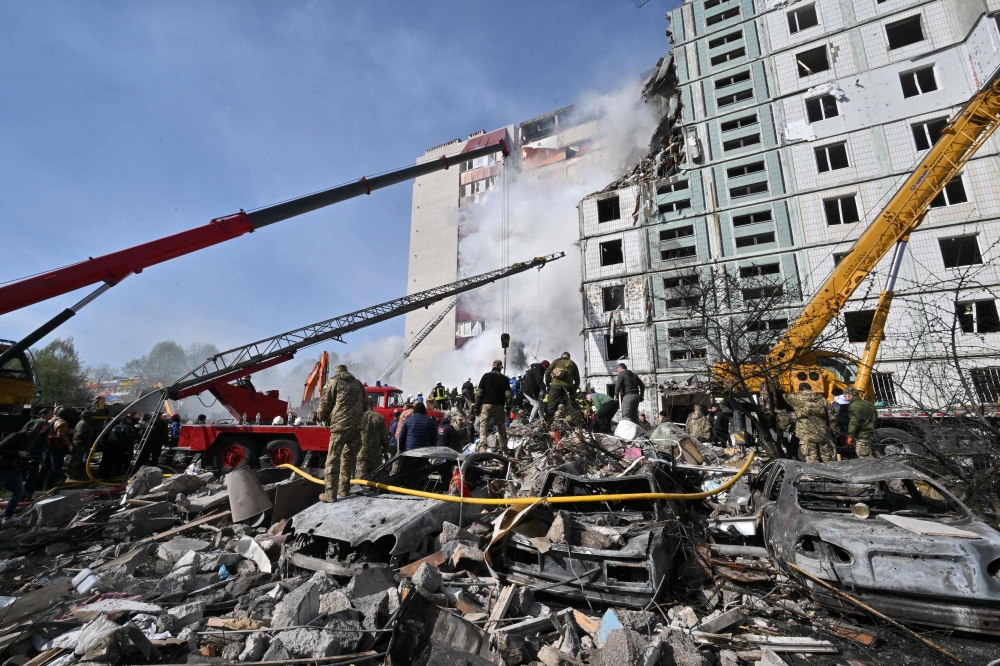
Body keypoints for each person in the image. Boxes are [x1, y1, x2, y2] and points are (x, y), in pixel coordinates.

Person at [316, 364, 367, 503]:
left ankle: (330, 494)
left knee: (333, 457)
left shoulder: (334, 382)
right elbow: (366, 404)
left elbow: (324, 404)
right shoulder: (358, 384)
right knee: (348, 458)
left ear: (337, 372)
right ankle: (344, 488)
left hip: (340, 425)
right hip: (356, 425)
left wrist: (324, 419)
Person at [0, 419, 47, 526]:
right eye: (43, 429)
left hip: (15, 469)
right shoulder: (17, 436)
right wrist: (17, 453)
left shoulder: (31, 438)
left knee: (18, 492)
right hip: (4, 468)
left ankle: (8, 517)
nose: (43, 431)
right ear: (36, 427)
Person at [784, 384, 835, 463]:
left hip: (806, 433)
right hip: (822, 432)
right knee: (826, 455)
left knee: (811, 457)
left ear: (800, 390)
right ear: (811, 388)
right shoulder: (821, 399)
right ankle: (829, 473)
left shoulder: (797, 398)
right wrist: (834, 429)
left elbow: (785, 396)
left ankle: (816, 475)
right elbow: (832, 415)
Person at [476, 360, 511, 451]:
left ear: (492, 366)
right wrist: (509, 406)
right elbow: (508, 394)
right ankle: (504, 450)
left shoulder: (485, 376)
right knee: (501, 428)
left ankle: (483, 448)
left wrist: (477, 406)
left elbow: (479, 393)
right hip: (499, 406)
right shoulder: (504, 378)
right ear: (500, 367)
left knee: (483, 426)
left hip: (486, 406)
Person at [356, 398, 390, 479]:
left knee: (360, 478)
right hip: (376, 452)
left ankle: (360, 491)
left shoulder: (357, 417)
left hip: (361, 452)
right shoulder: (379, 417)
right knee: (376, 476)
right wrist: (385, 450)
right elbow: (384, 437)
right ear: (371, 405)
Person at [41, 407, 74, 490]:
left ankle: (39, 485)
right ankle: (49, 486)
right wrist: (69, 445)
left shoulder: (51, 420)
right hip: (57, 449)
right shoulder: (62, 423)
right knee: (56, 467)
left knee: (45, 467)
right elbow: (61, 435)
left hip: (48, 447)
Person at [545, 352, 580, 423]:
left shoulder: (556, 361)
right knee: (572, 407)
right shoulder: (572, 363)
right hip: (568, 387)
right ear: (569, 357)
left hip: (555, 386)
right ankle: (577, 425)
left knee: (551, 407)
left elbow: (547, 373)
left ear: (561, 356)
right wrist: (574, 390)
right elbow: (577, 380)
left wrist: (548, 385)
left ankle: (546, 425)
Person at [99, 413, 136, 478]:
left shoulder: (115, 426)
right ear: (127, 420)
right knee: (124, 461)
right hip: (124, 447)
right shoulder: (128, 427)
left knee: (114, 461)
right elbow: (131, 437)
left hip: (113, 447)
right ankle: (121, 473)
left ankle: (108, 474)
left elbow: (110, 437)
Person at [844, 387, 877, 457]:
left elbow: (854, 422)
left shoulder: (854, 406)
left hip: (862, 436)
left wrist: (850, 436)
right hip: (871, 434)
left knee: (865, 458)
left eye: (845, 394)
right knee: (871, 456)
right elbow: (875, 418)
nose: (844, 396)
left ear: (851, 395)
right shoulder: (869, 404)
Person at [70, 409, 96, 477]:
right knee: (75, 461)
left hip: (81, 444)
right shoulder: (83, 423)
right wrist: (91, 434)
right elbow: (80, 434)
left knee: (77, 460)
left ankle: (73, 473)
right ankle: (70, 474)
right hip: (79, 445)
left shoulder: (83, 422)